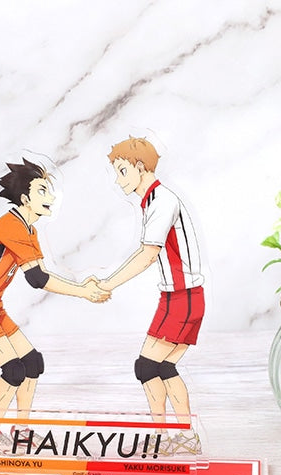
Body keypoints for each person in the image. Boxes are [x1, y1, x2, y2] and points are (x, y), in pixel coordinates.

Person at [0, 158, 109, 454]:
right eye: (42, 191)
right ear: (25, 198)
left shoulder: (28, 230)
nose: (51, 197)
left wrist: (82, 285)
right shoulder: (9, 226)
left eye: (49, 190)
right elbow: (37, 279)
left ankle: (22, 431)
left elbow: (42, 272)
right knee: (13, 369)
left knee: (32, 363)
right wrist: (83, 292)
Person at [97, 136, 205, 454]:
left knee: (147, 367)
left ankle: (169, 437)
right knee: (162, 368)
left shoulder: (162, 201)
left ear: (140, 167)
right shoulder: (153, 201)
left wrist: (107, 284)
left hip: (182, 297)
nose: (118, 181)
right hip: (178, 297)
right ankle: (179, 437)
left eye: (122, 171)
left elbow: (147, 255)